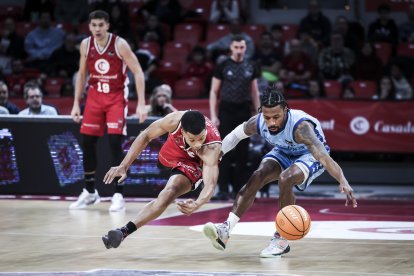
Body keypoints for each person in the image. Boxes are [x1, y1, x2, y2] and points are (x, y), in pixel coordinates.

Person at [203, 85, 357, 258]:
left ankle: (282, 239)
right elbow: (235, 135)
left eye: (276, 117)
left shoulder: (301, 128)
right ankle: (225, 229)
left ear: (285, 110)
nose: (272, 122)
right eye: (267, 117)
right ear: (261, 112)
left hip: (310, 156)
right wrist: (218, 153)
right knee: (257, 176)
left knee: (286, 178)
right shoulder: (259, 121)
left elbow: (323, 157)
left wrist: (343, 180)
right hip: (284, 150)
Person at [101, 110, 222, 249]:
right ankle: (171, 160)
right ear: (182, 131)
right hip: (173, 151)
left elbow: (210, 185)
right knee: (160, 163)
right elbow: (146, 135)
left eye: (200, 138)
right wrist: (124, 165)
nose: (197, 145)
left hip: (194, 162)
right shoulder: (173, 121)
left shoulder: (211, 148)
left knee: (169, 193)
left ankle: (123, 231)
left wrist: (197, 204)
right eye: (192, 140)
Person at [69, 10, 147, 212]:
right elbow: (82, 74)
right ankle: (89, 192)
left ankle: (118, 194)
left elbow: (138, 71)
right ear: (89, 26)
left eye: (100, 25)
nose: (97, 29)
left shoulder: (120, 44)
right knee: (87, 142)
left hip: (115, 97)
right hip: (94, 96)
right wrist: (76, 103)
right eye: (93, 25)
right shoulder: (86, 45)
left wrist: (140, 102)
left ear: (108, 25)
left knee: (114, 142)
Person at [209, 34, 260, 200]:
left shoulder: (251, 66)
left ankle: (239, 190)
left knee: (242, 153)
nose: (239, 50)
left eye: (242, 47)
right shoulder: (223, 65)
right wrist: (213, 115)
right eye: (236, 47)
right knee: (224, 150)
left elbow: (254, 91)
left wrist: (258, 114)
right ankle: (223, 189)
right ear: (231, 48)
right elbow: (214, 91)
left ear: (245, 48)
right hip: (226, 110)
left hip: (244, 111)